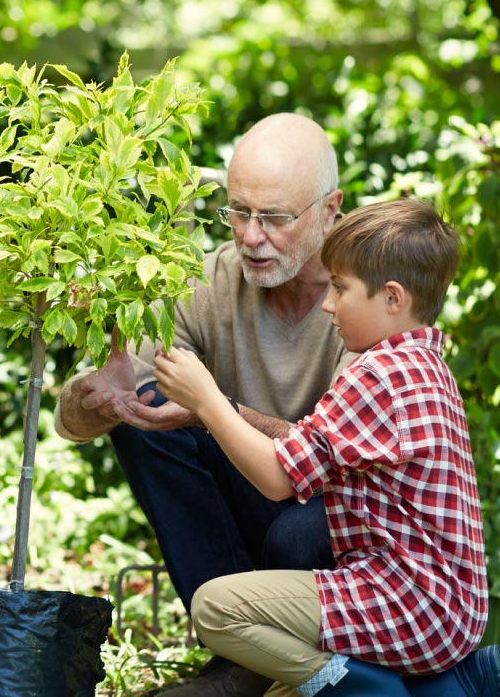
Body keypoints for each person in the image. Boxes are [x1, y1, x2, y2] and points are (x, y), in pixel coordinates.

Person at [154, 198, 500, 697]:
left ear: (392, 298)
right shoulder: (426, 365)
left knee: (215, 608)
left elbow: (278, 477)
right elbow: (311, 451)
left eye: (340, 289)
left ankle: (369, 689)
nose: (327, 304)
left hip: (407, 603)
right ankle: (451, 686)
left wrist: (206, 399)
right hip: (447, 611)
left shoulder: (379, 374)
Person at [55, 113, 351, 696]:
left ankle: (266, 668)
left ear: (329, 210)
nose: (250, 235)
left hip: (336, 529)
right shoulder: (211, 279)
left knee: (300, 530)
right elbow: (77, 421)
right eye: (238, 211)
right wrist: (97, 401)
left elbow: (341, 461)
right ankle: (237, 657)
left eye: (274, 218)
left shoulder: (365, 292)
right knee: (146, 414)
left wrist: (213, 408)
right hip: (250, 508)